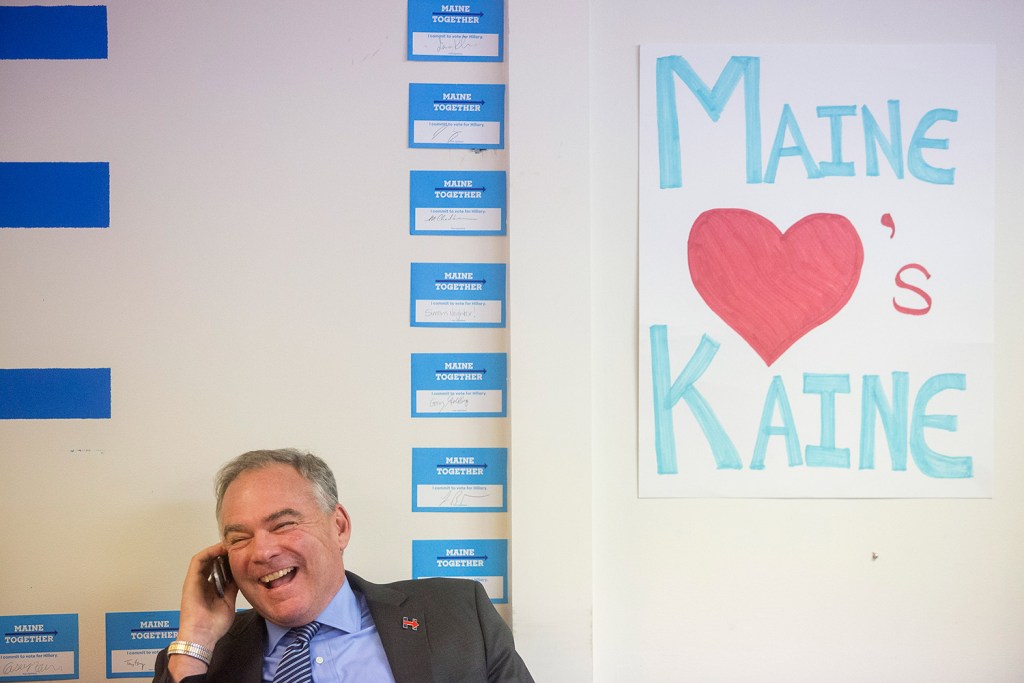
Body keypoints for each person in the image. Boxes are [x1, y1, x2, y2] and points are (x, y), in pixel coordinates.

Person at [152, 448, 533, 682]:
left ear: (339, 527)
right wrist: (196, 642)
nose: (262, 552)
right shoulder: (200, 658)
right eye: (239, 538)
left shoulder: (457, 613)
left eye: (283, 524)